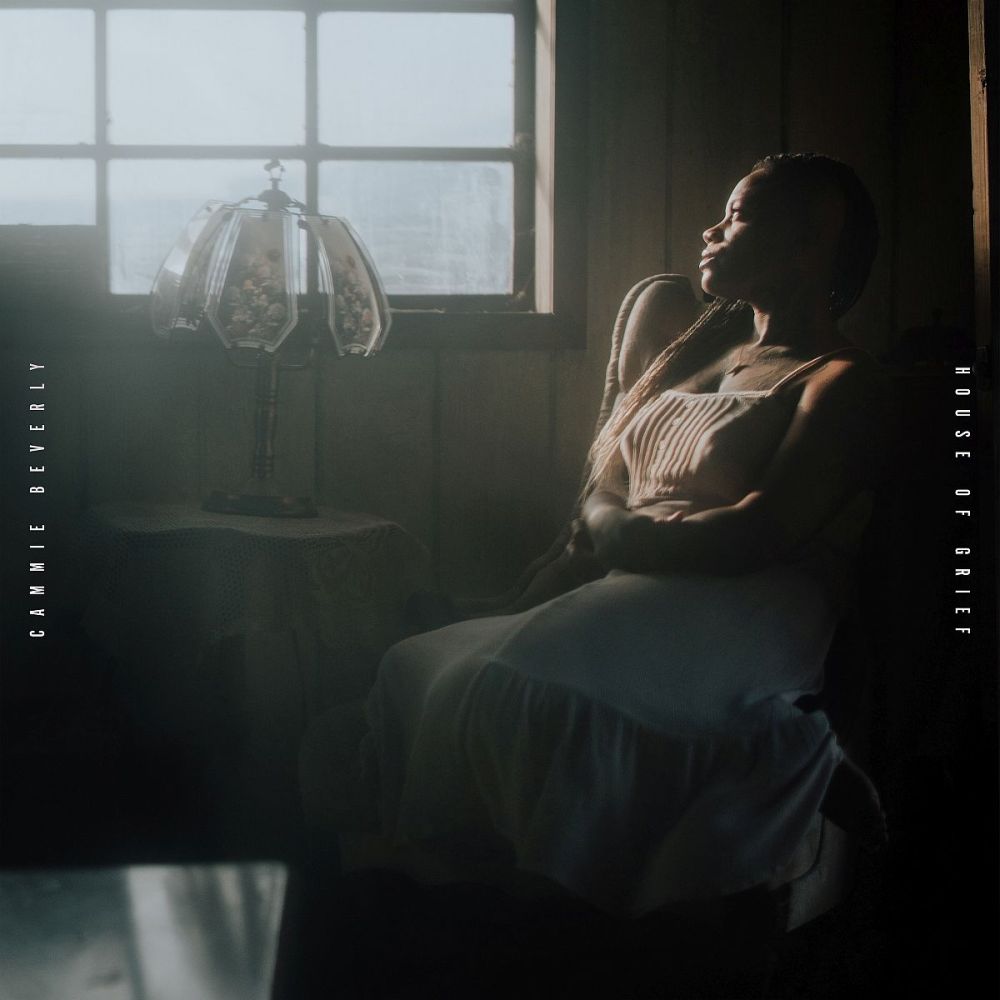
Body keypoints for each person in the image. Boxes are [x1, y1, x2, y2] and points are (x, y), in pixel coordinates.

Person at [300, 153, 888, 919]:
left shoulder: (836, 378)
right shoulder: (701, 358)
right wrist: (608, 523)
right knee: (414, 665)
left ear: (810, 243)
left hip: (745, 602)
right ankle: (448, 884)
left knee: (514, 687)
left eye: (738, 215)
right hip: (640, 576)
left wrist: (622, 536)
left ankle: (548, 886)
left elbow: (761, 531)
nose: (711, 231)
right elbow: (612, 479)